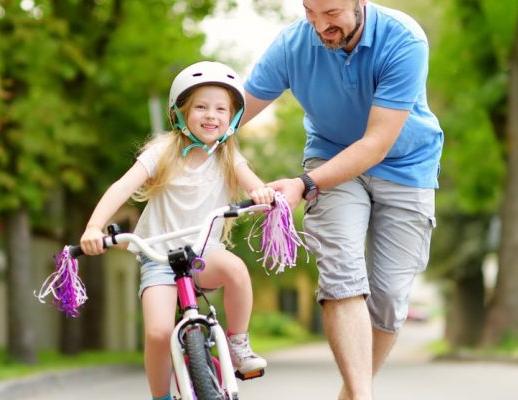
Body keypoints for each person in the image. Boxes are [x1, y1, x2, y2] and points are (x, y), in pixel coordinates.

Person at [241, 1, 443, 399]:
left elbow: (376, 144)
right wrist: (185, 131)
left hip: (406, 165)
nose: (319, 25)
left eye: (331, 12)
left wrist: (302, 183)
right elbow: (231, 114)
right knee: (342, 276)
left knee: (388, 300)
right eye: (310, 11)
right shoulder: (292, 45)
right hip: (329, 157)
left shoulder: (404, 39)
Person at [79, 61, 275, 400]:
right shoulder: (163, 151)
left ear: (231, 118)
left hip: (204, 253)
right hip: (158, 258)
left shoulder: (228, 155)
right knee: (157, 332)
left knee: (236, 270)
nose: (211, 115)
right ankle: (161, 397)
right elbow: (122, 187)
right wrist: (94, 227)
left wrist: (261, 192)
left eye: (220, 109)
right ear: (181, 112)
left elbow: (253, 184)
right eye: (201, 107)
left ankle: (238, 343)